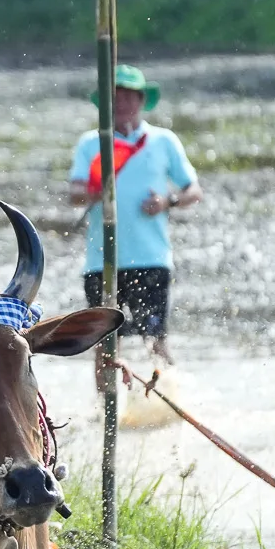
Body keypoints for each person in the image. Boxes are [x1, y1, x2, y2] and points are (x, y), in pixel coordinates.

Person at [67, 64, 201, 366]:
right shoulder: (92, 143)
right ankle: (105, 410)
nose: (123, 104)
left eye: (130, 97)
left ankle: (168, 398)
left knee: (156, 340)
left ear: (141, 101)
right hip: (102, 260)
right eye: (116, 97)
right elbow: (74, 195)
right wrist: (93, 192)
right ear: (106, 103)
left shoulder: (163, 141)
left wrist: (168, 202)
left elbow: (193, 191)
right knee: (104, 347)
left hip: (151, 257)